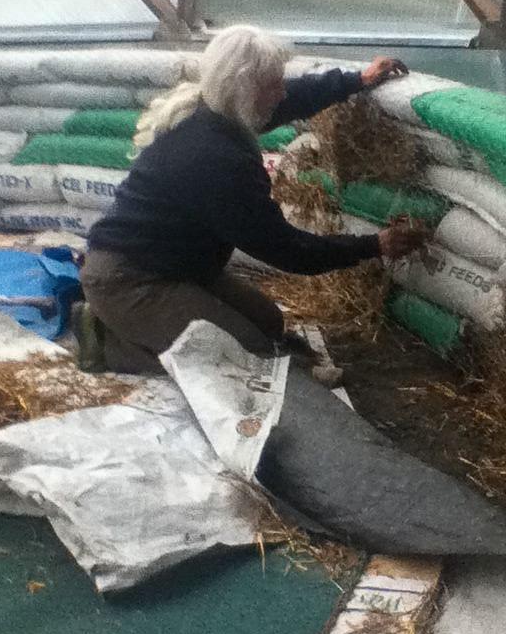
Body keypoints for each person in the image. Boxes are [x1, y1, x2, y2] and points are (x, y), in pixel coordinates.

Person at [78, 25, 426, 374]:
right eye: (272, 85)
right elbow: (286, 250)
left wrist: (357, 80)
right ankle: (107, 342)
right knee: (245, 355)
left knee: (269, 323)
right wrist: (373, 245)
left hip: (182, 267)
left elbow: (293, 98)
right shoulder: (215, 159)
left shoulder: (217, 111)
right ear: (244, 90)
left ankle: (145, 327)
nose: (280, 93)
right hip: (129, 278)